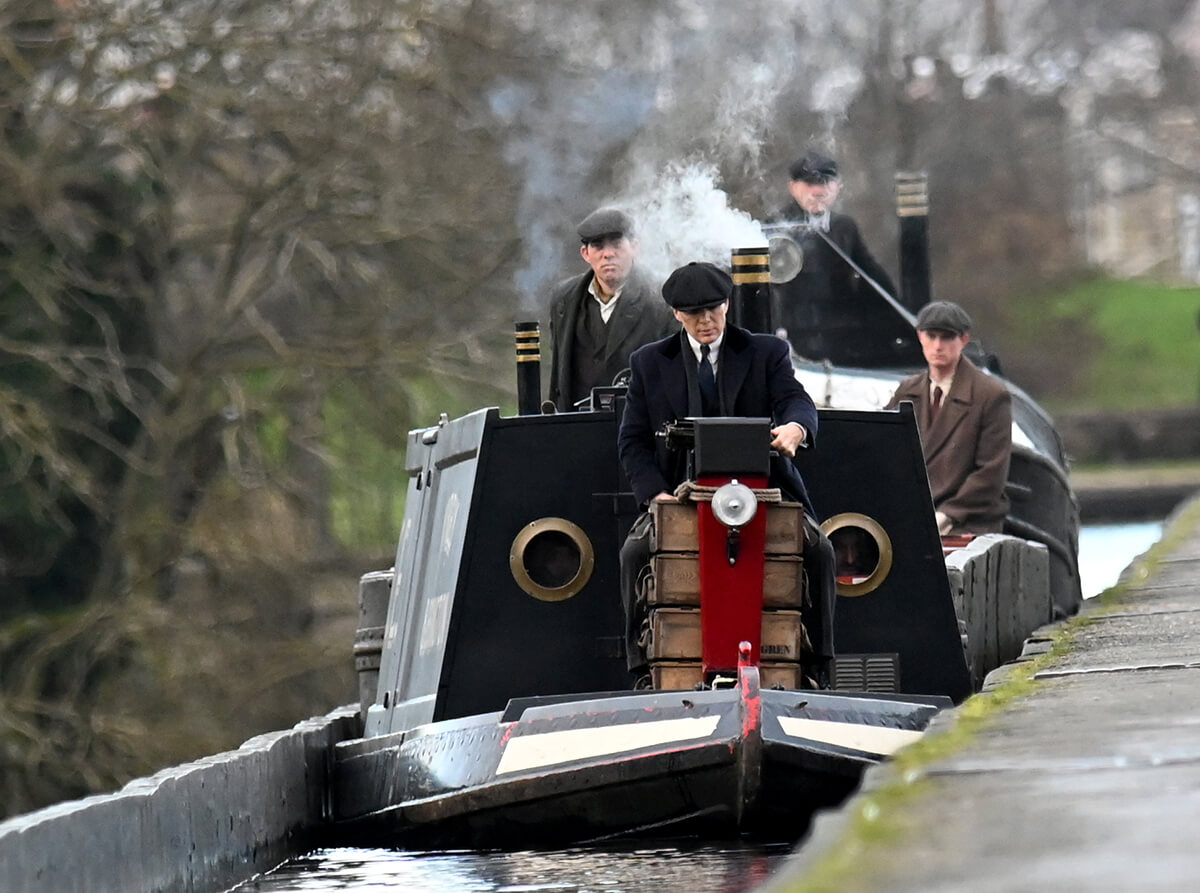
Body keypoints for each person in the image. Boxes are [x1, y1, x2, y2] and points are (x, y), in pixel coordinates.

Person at [617, 261, 837, 688]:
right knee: (632, 555)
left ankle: (815, 666)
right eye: (694, 313)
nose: (706, 321)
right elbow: (633, 442)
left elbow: (796, 400)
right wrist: (654, 496)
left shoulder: (767, 352)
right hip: (679, 496)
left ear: (728, 305)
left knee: (820, 552)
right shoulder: (648, 363)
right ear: (676, 314)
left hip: (764, 489)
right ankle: (644, 670)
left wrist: (796, 428)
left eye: (714, 310)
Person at [885, 301, 1012, 535]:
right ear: (920, 337)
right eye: (931, 336)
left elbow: (990, 474)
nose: (938, 346)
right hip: (913, 521)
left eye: (946, 338)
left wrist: (947, 515)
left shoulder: (991, 396)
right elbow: (886, 454)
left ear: (963, 340)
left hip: (970, 526)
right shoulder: (907, 392)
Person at [547, 207, 677, 412]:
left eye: (616, 244)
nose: (608, 254)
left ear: (634, 246)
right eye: (598, 246)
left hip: (641, 428)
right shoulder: (563, 299)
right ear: (585, 253)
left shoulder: (661, 297)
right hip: (577, 431)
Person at [772, 150, 898, 343]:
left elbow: (870, 272)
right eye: (809, 184)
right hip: (793, 332)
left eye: (825, 183)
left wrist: (895, 314)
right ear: (793, 187)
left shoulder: (844, 226)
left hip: (842, 331)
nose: (818, 191)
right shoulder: (774, 228)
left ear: (838, 186)